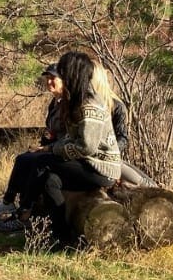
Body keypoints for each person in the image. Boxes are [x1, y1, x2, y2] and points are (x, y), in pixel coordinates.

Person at [41, 51, 122, 247]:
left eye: (63, 72)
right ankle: (61, 238)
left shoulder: (89, 104)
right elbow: (73, 139)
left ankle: (22, 211)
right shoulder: (77, 101)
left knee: (44, 164)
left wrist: (54, 150)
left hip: (101, 169)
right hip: (88, 164)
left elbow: (87, 146)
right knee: (50, 181)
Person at [0, 64, 66, 230]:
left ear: (63, 81)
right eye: (47, 78)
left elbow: (66, 136)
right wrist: (41, 145)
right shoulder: (54, 103)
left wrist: (46, 149)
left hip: (62, 152)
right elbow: (51, 132)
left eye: (53, 78)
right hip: (52, 148)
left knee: (32, 162)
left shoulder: (68, 104)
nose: (49, 82)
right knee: (24, 158)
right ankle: (12, 205)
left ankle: (22, 213)